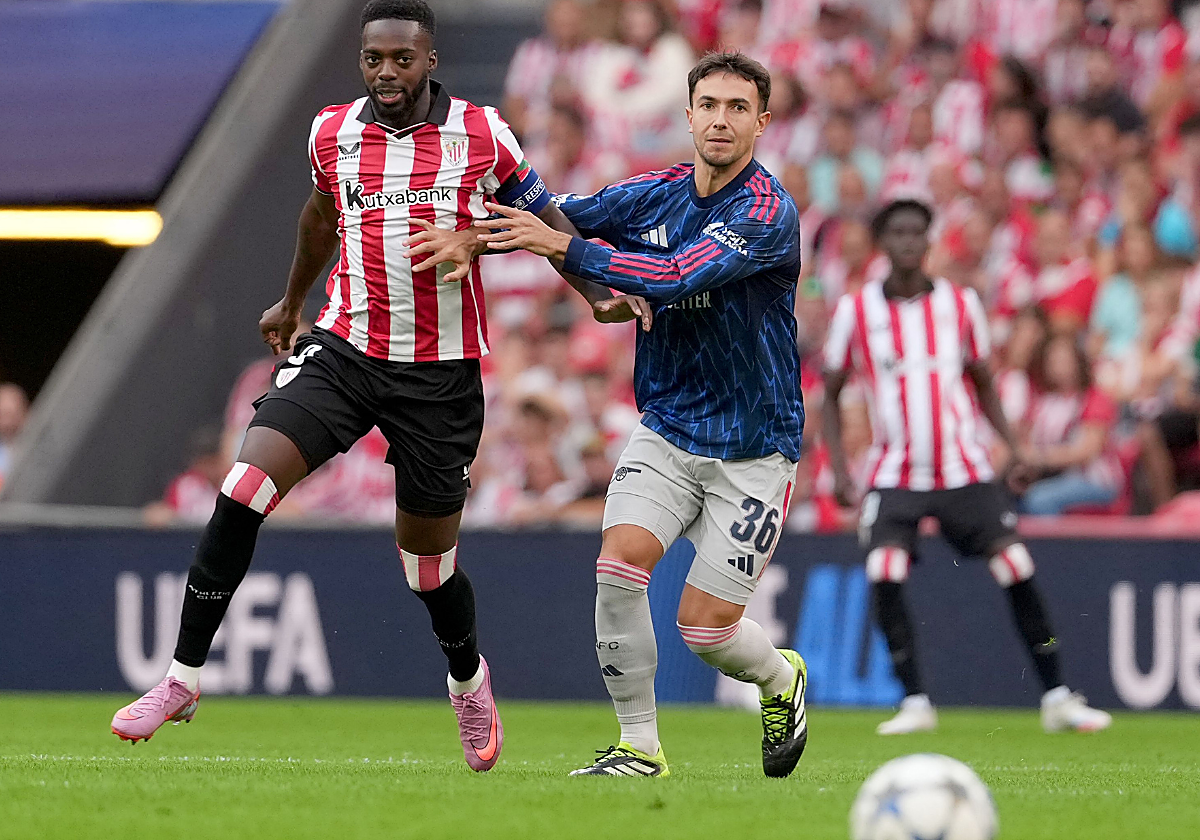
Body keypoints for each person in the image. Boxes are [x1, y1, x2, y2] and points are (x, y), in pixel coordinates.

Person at [109, 0, 648, 772]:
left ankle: (467, 679)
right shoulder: (331, 132)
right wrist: (291, 303)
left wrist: (587, 286)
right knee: (242, 488)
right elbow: (319, 217)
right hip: (345, 350)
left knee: (426, 567)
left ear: (431, 60)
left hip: (439, 376)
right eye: (374, 59)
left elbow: (540, 217)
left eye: (402, 58)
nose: (386, 72)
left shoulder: (481, 132)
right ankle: (181, 679)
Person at [472, 51, 809, 778]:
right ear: (688, 115)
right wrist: (471, 231)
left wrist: (567, 249)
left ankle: (781, 678)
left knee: (705, 630)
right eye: (709, 105)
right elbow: (554, 213)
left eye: (738, 107)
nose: (721, 119)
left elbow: (675, 273)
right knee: (619, 567)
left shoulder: (766, 212)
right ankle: (639, 747)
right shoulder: (653, 193)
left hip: (754, 447)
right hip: (667, 428)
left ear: (761, 123)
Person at [821, 198, 1112, 736]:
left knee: (1016, 565)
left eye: (918, 232)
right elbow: (831, 393)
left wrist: (1013, 447)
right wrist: (840, 469)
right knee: (884, 570)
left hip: (963, 467)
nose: (909, 242)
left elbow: (983, 382)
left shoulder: (960, 303)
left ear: (929, 241)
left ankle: (1057, 695)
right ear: (883, 244)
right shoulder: (855, 311)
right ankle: (914, 700)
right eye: (898, 233)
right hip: (893, 472)